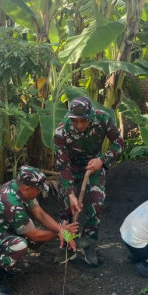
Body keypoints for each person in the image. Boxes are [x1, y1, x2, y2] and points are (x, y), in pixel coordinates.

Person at [0, 166, 78, 295]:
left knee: (30, 238)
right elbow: (34, 235)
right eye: (38, 190)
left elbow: (40, 214)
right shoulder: (11, 202)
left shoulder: (20, 188)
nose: (39, 193)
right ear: (27, 188)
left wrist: (61, 229)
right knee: (20, 244)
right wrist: (59, 234)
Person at [54, 96, 124, 266]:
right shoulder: (61, 131)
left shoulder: (103, 119)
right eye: (75, 121)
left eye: (83, 121)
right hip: (71, 168)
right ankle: (68, 246)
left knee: (97, 204)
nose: (79, 125)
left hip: (94, 166)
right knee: (67, 209)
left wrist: (102, 160)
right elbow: (63, 165)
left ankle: (89, 243)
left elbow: (118, 143)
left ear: (91, 116)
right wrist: (70, 194)